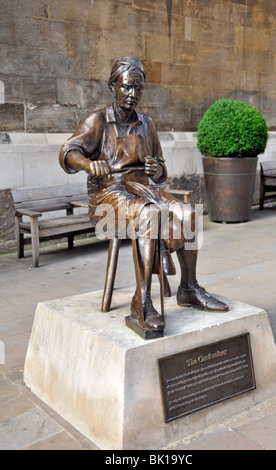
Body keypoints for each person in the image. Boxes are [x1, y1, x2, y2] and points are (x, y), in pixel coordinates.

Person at [59, 56, 228, 332]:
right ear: (113, 86)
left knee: (189, 212)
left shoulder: (147, 124)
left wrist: (156, 168)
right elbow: (68, 153)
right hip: (108, 197)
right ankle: (143, 302)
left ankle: (189, 287)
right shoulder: (98, 121)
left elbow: (161, 173)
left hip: (143, 190)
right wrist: (89, 164)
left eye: (137, 88)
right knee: (150, 214)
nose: (132, 94)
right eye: (126, 87)